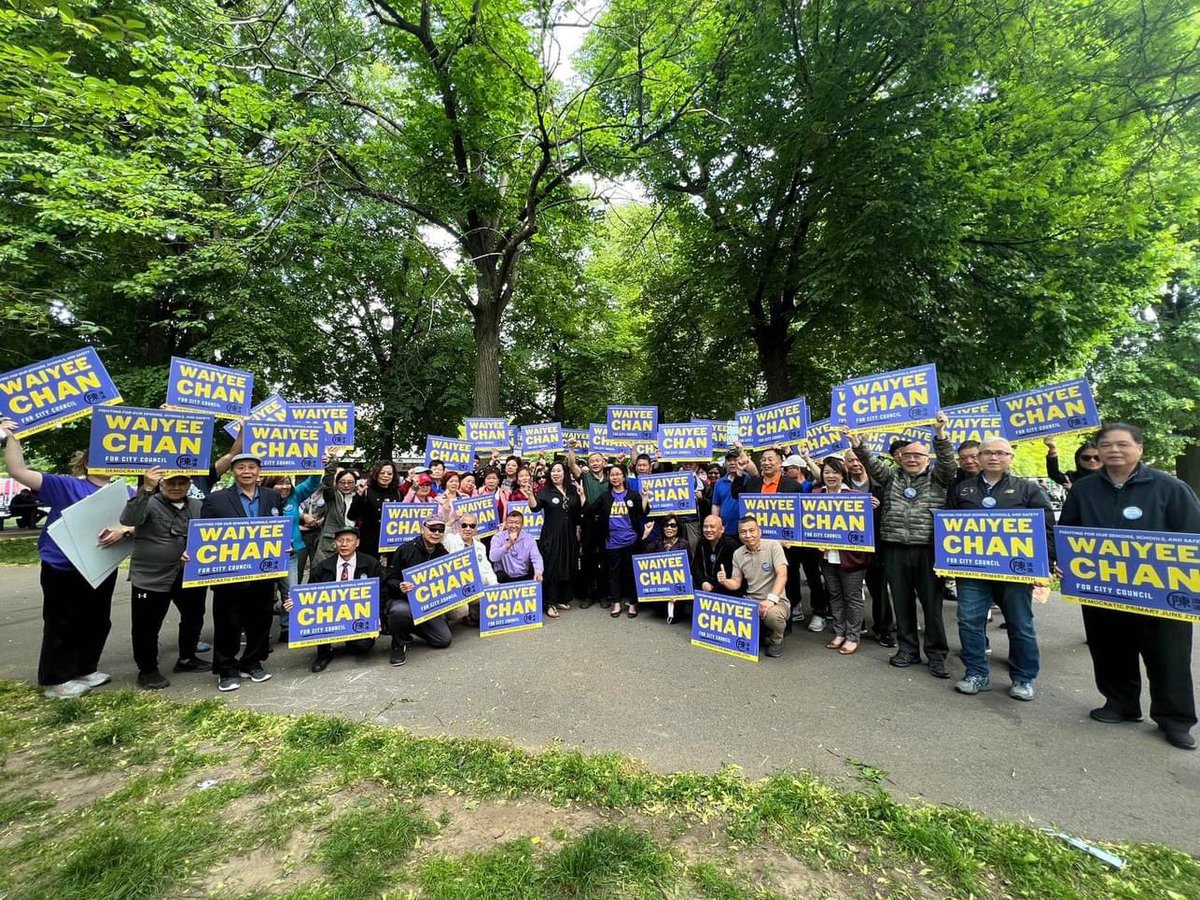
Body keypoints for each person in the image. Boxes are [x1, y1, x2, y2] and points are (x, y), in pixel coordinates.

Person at [1058, 423, 1200, 750]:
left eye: (1123, 444)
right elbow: (1069, 531)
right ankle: (1120, 703)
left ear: (1139, 449)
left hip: (1160, 593)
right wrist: (1061, 561)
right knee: (1108, 648)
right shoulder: (1085, 489)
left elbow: (1192, 536)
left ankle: (1175, 719)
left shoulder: (1170, 488)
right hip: (1103, 590)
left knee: (1169, 656)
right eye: (1106, 445)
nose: (1114, 450)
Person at [2, 419, 130, 699]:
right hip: (62, 566)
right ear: (86, 462)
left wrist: (125, 530)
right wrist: (11, 437)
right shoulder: (64, 485)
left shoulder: (126, 493)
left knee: (97, 620)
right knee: (62, 622)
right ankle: (56, 679)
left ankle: (85, 668)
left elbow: (143, 520)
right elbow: (18, 471)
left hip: (100, 567)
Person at [848, 412, 956, 678]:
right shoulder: (891, 477)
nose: (911, 459)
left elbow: (948, 463)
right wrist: (859, 445)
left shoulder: (939, 478)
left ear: (927, 458)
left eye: (918, 456)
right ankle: (907, 649)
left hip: (927, 549)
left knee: (932, 605)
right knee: (902, 601)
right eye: (907, 455)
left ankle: (937, 654)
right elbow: (871, 463)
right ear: (900, 458)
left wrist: (940, 435)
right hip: (895, 547)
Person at [947, 437, 1054, 700]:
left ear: (1010, 458)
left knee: (1020, 625)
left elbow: (1047, 529)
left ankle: (1023, 678)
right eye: (988, 453)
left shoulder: (1028, 490)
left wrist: (1045, 563)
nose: (994, 457)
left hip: (1015, 572)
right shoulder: (962, 490)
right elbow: (946, 525)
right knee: (969, 622)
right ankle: (976, 673)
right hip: (972, 572)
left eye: (1000, 453)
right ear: (979, 457)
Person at [200, 452, 285, 692]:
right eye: (241, 468)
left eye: (251, 467)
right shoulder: (215, 500)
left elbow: (278, 530)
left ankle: (253, 663)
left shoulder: (272, 497)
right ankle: (226, 669)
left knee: (261, 620)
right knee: (228, 623)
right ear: (232, 471)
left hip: (263, 573)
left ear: (259, 471)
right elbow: (204, 535)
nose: (246, 472)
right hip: (230, 574)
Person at [120, 466, 211, 689]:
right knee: (147, 625)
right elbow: (128, 518)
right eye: (171, 483)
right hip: (151, 576)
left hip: (188, 574)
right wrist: (146, 488)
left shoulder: (198, 506)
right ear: (161, 484)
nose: (177, 487)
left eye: (182, 483)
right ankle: (147, 669)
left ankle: (187, 657)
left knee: (194, 615)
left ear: (190, 484)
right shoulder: (147, 502)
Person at [302, 527, 385, 673]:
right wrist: (295, 604)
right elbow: (310, 597)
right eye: (340, 541)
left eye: (349, 540)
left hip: (359, 615)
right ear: (335, 543)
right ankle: (324, 653)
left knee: (362, 647)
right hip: (330, 616)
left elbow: (381, 592)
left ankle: (351, 640)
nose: (344, 544)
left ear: (357, 543)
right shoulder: (322, 567)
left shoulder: (371, 564)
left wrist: (377, 617)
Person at [813, 457, 872, 656]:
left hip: (852, 557)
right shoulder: (815, 495)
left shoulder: (855, 496)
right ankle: (839, 632)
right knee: (834, 595)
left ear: (842, 474)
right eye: (827, 472)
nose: (831, 476)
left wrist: (872, 506)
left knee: (852, 597)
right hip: (827, 556)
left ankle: (853, 636)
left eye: (835, 472)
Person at [385, 515, 456, 666]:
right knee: (399, 612)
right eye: (432, 529)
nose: (436, 533)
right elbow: (389, 579)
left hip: (429, 606)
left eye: (440, 530)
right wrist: (400, 586)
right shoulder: (405, 550)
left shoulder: (444, 554)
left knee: (443, 640)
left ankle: (410, 628)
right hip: (405, 601)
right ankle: (398, 643)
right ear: (422, 528)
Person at [716, 516, 790, 658]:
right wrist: (725, 581)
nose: (748, 535)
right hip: (751, 600)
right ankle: (763, 633)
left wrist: (771, 600)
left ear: (759, 531)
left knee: (773, 616)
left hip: (777, 601)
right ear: (739, 535)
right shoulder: (738, 553)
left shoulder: (773, 546)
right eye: (743, 532)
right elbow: (736, 583)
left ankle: (777, 639)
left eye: (752, 531)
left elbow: (782, 575)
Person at [844, 448, 894, 646]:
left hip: (876, 545)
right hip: (850, 546)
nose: (855, 464)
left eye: (858, 460)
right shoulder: (843, 485)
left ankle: (884, 629)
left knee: (879, 589)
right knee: (851, 590)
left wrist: (879, 505)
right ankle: (855, 625)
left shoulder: (880, 484)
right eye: (850, 461)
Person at [268, 472, 323, 643]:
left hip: (289, 554)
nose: (285, 487)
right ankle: (259, 631)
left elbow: (312, 483)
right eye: (280, 483)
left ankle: (287, 627)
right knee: (264, 595)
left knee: (290, 592)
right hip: (265, 555)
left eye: (287, 483)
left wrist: (317, 463)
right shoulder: (262, 499)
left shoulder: (294, 496)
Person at [595, 465, 653, 618]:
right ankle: (616, 603)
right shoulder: (605, 496)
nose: (615, 477)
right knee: (614, 574)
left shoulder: (633, 495)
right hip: (612, 542)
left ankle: (633, 604)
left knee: (631, 573)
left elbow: (643, 511)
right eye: (612, 475)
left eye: (618, 474)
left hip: (631, 541)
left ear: (623, 477)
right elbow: (592, 510)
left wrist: (645, 497)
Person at [527, 461, 582, 619]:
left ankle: (561, 599)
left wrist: (582, 495)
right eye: (553, 471)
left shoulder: (572, 490)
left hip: (570, 535)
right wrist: (530, 495)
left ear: (565, 473)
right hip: (552, 535)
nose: (555, 474)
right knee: (552, 567)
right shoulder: (546, 491)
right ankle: (549, 603)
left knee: (567, 564)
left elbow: (578, 509)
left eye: (559, 471)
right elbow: (535, 508)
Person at [567, 445, 610, 608]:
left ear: (604, 462)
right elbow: (572, 465)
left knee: (605, 559)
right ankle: (588, 595)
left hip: (606, 523)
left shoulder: (611, 478)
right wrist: (571, 449)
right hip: (588, 523)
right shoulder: (584, 477)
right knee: (587, 560)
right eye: (592, 461)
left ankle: (604, 594)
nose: (595, 463)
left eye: (598, 460)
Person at [443, 512, 498, 625]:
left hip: (474, 589)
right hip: (455, 590)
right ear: (459, 526)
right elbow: (440, 536)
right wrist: (451, 521)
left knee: (491, 601)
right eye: (464, 525)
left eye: (472, 526)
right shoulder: (450, 541)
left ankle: (472, 613)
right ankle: (443, 618)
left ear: (476, 528)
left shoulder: (480, 546)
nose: (468, 529)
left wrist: (495, 587)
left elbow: (487, 569)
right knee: (461, 610)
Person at [348, 460, 401, 561]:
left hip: (391, 543)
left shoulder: (397, 494)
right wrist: (359, 495)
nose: (386, 476)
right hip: (369, 543)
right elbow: (352, 515)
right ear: (376, 474)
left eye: (389, 473)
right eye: (382, 473)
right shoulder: (367, 491)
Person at [644, 513, 692, 623]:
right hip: (661, 587)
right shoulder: (657, 542)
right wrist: (646, 533)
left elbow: (688, 567)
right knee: (659, 612)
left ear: (678, 527)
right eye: (666, 525)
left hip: (677, 587)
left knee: (675, 616)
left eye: (673, 525)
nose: (669, 528)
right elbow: (643, 557)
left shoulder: (683, 544)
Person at [310, 458, 357, 571]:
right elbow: (327, 482)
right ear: (337, 483)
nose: (346, 485)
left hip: (352, 544)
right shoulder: (333, 497)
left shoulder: (359, 498)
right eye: (342, 482)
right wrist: (333, 463)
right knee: (323, 575)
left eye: (350, 482)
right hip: (330, 544)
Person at [489, 509, 545, 583]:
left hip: (524, 576)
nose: (514, 526)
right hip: (505, 577)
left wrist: (538, 572)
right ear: (506, 523)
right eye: (510, 522)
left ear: (522, 525)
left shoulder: (529, 538)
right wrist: (508, 545)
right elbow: (493, 557)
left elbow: (536, 557)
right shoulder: (498, 537)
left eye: (517, 523)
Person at [692, 514, 741, 596]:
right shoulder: (701, 543)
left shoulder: (731, 545)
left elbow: (734, 575)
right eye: (705, 527)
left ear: (722, 529)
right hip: (705, 587)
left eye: (712, 527)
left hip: (726, 590)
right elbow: (696, 567)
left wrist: (714, 589)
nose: (708, 530)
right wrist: (703, 582)